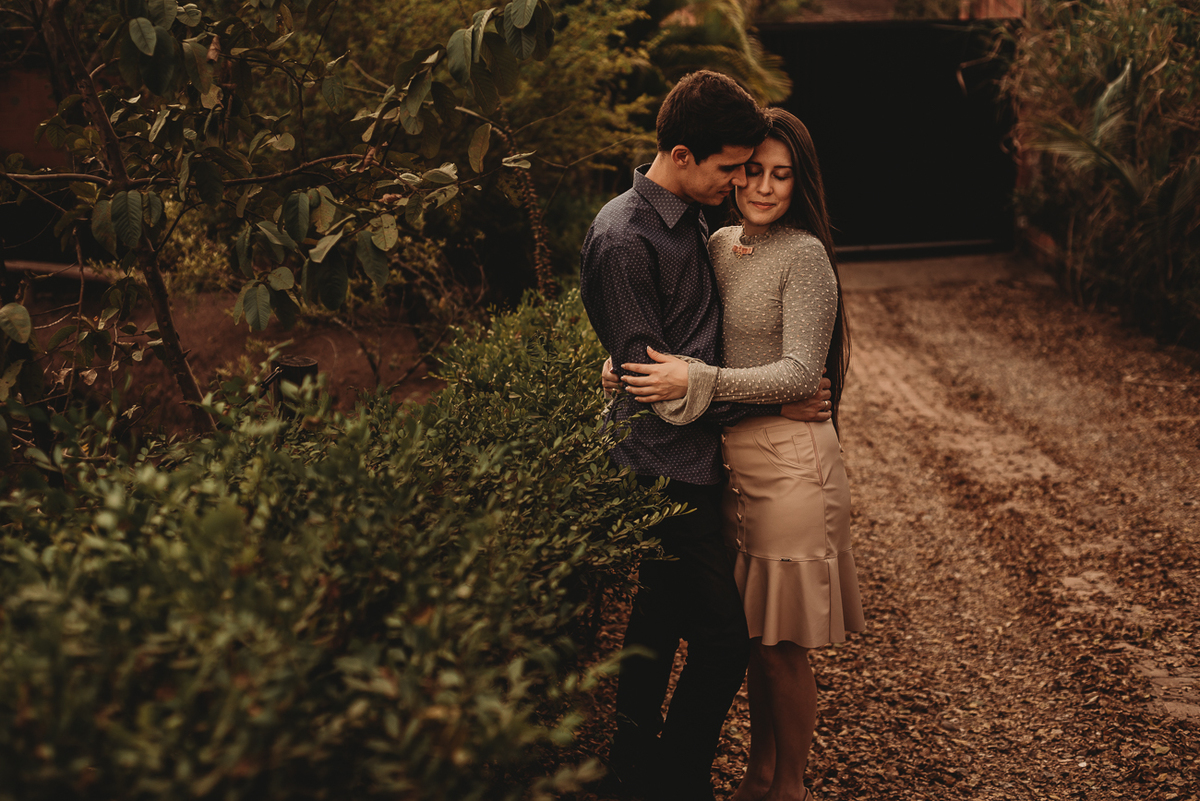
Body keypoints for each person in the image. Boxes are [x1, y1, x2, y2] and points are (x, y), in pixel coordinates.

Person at [579, 74, 831, 801]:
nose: (739, 182)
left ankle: (628, 764)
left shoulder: (690, 216)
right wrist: (768, 407)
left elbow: (679, 356)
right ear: (683, 155)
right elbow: (653, 386)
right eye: (730, 168)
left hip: (698, 459)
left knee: (656, 615)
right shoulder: (624, 237)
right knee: (724, 638)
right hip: (664, 466)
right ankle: (676, 775)